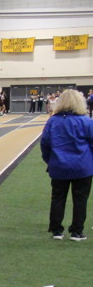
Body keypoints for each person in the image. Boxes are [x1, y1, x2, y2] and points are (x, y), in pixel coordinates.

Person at [40, 89, 93, 241]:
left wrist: (50, 160)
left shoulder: (53, 121)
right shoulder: (86, 122)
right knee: (80, 199)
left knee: (58, 197)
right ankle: (77, 231)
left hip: (59, 165)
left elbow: (45, 144)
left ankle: (56, 230)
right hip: (82, 166)